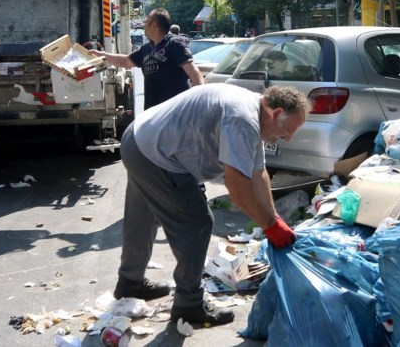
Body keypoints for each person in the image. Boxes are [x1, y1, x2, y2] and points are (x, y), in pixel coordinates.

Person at [113, 84, 310, 326]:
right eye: (289, 130)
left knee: (142, 217)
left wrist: (274, 219)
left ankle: (129, 282)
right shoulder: (243, 120)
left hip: (141, 139)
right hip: (155, 153)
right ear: (277, 113)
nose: (289, 137)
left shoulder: (254, 113)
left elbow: (259, 174)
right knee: (197, 223)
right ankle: (189, 304)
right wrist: (269, 226)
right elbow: (237, 184)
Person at [91, 8, 204, 109]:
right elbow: (125, 61)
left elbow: (193, 71)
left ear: (154, 25)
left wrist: (202, 101)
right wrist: (101, 55)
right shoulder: (146, 49)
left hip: (175, 112)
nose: (143, 24)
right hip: (153, 112)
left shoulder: (175, 43)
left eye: (146, 21)